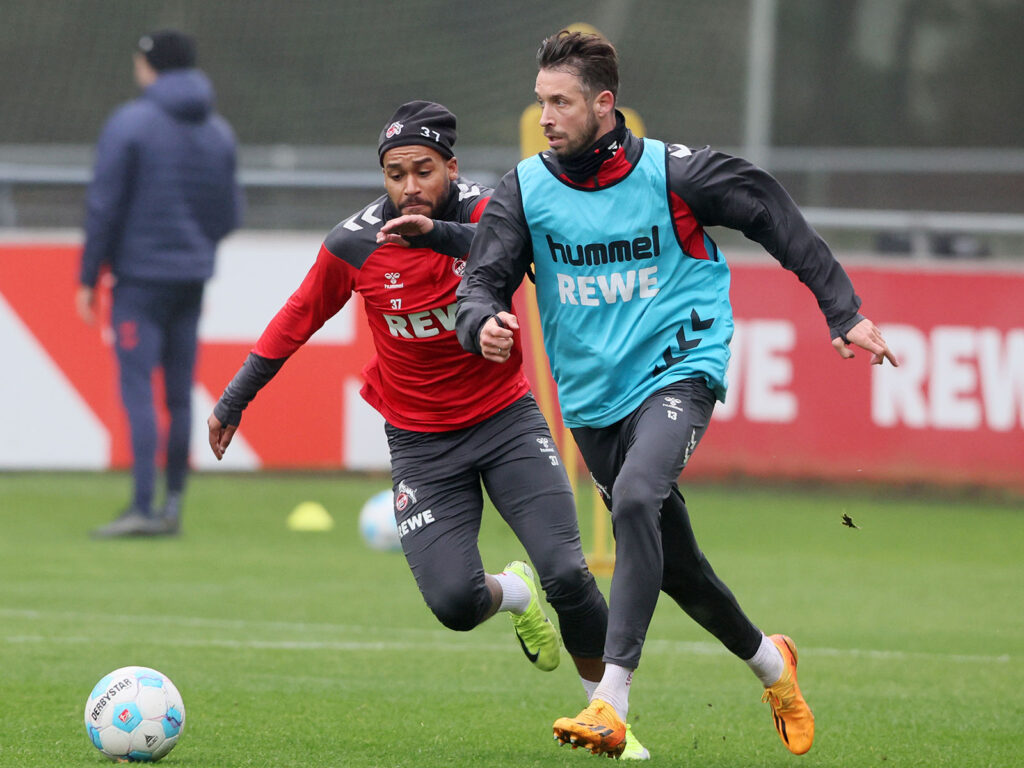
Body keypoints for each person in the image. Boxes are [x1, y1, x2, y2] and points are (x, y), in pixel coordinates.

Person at [455, 30, 899, 758]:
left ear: (605, 105)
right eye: (541, 102)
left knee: (635, 501)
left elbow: (769, 209)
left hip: (679, 367)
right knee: (680, 570)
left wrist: (842, 309)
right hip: (593, 402)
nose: (547, 117)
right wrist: (482, 324)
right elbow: (482, 278)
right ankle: (771, 665)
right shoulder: (525, 190)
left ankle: (610, 701)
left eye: (561, 102)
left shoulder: (673, 173)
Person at [206, 100, 651, 760]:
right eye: (394, 174)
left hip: (505, 421)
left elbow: (539, 249)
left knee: (567, 568)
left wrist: (457, 262)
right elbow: (297, 317)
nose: (409, 186)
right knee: (453, 602)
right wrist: (234, 400)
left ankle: (611, 717)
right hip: (419, 442)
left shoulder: (489, 213)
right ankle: (514, 594)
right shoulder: (355, 244)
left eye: (423, 170)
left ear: (451, 166)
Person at [79, 29, 242, 538]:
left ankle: (141, 508)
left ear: (150, 66)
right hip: (191, 279)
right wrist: (195, 247)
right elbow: (229, 214)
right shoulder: (218, 131)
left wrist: (89, 275)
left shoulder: (131, 123)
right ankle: (172, 507)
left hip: (140, 281)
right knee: (178, 396)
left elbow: (104, 205)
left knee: (138, 392)